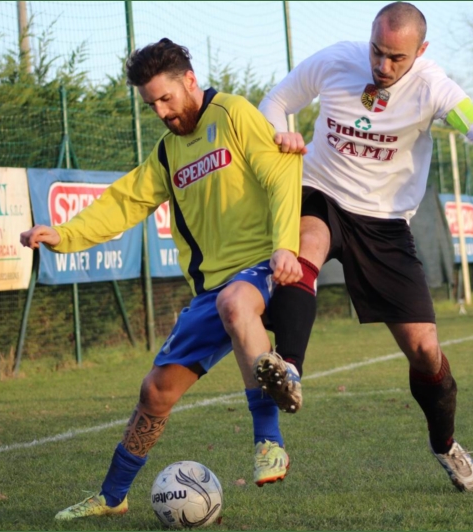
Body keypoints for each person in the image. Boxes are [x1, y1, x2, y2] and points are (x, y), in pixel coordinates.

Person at [253, 2, 473, 493]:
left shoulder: (435, 87)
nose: (382, 66)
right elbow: (276, 100)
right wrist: (279, 131)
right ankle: (290, 371)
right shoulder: (335, 60)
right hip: (320, 190)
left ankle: (445, 444)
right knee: (307, 245)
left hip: (384, 223)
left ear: (420, 51)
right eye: (376, 52)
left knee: (426, 351)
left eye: (396, 58)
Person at [19, 38, 303, 520]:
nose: (161, 112)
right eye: (151, 104)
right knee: (155, 392)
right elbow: (124, 201)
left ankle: (268, 442)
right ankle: (112, 497)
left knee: (236, 304)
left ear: (190, 81)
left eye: (166, 99)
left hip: (262, 266)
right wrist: (64, 234)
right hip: (209, 289)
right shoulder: (168, 153)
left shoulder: (232, 114)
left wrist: (285, 245)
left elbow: (280, 174)